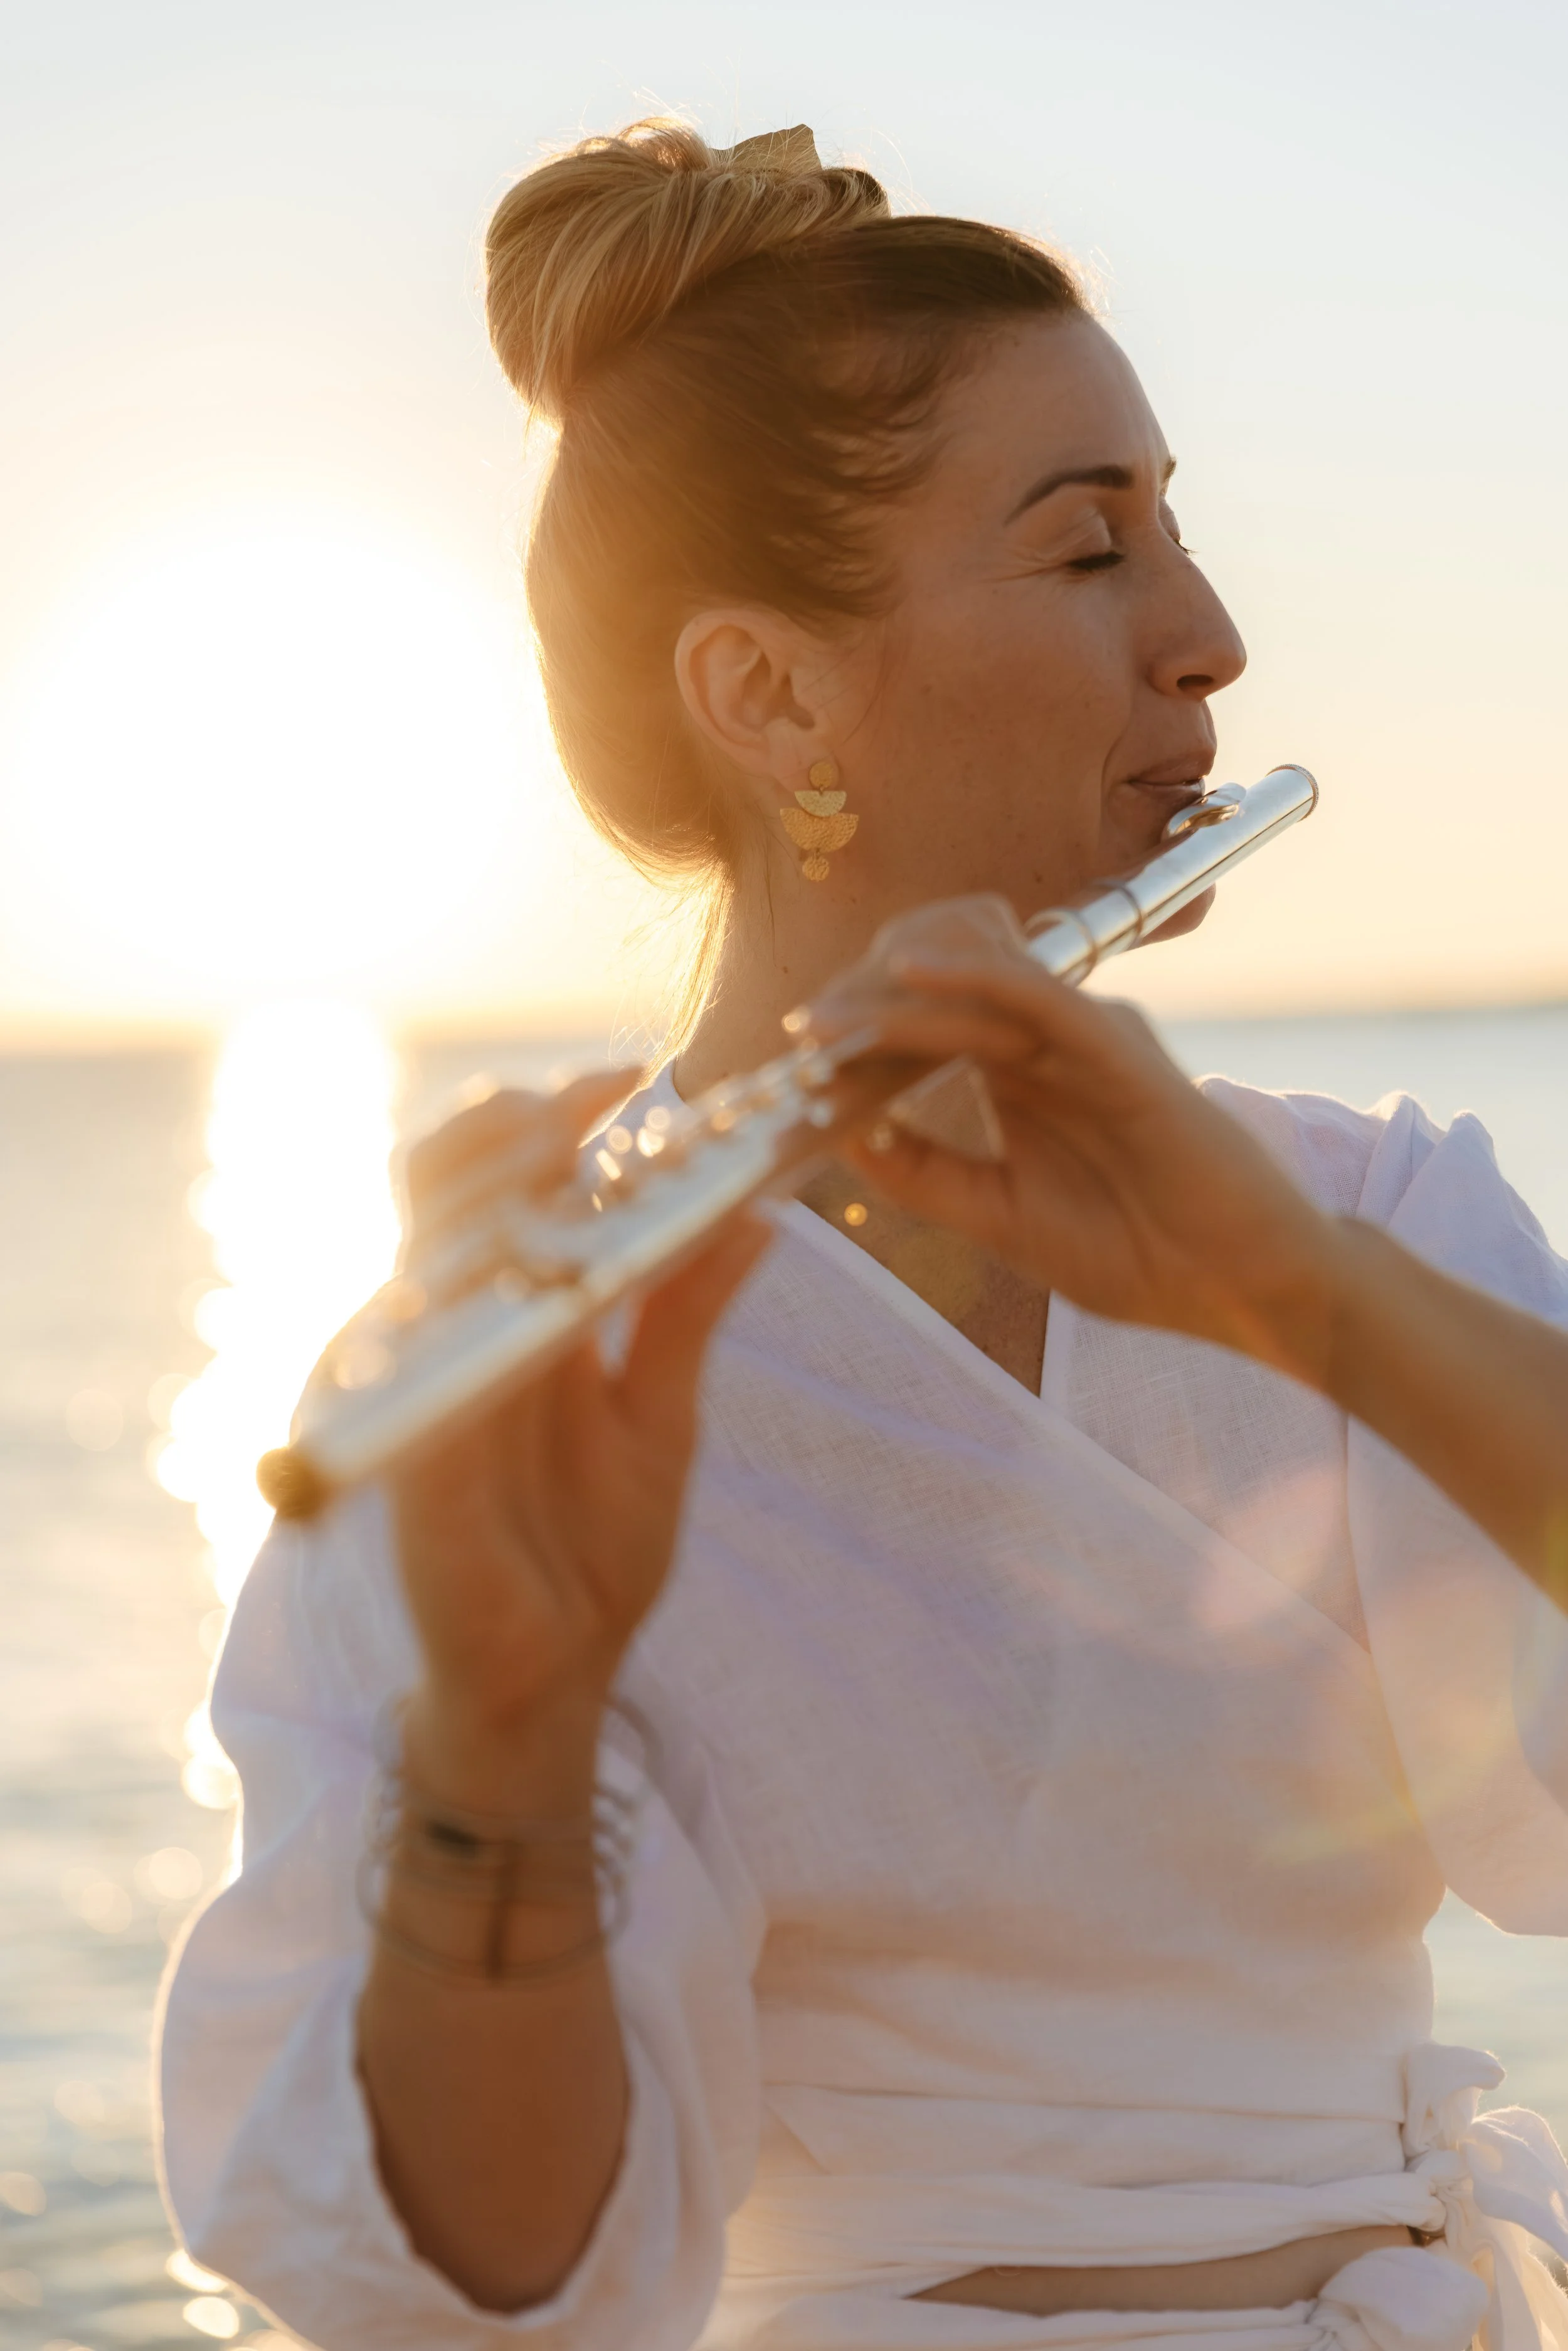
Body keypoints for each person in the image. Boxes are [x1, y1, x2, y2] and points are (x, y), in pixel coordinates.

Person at [159, 120, 1568, 2351]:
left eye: (1174, 527)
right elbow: (471, 2282)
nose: (1209, 640)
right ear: (771, 695)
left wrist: (1307, 1303)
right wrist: (503, 1749)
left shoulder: (1365, 1216)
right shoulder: (505, 1358)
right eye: (1092, 547)